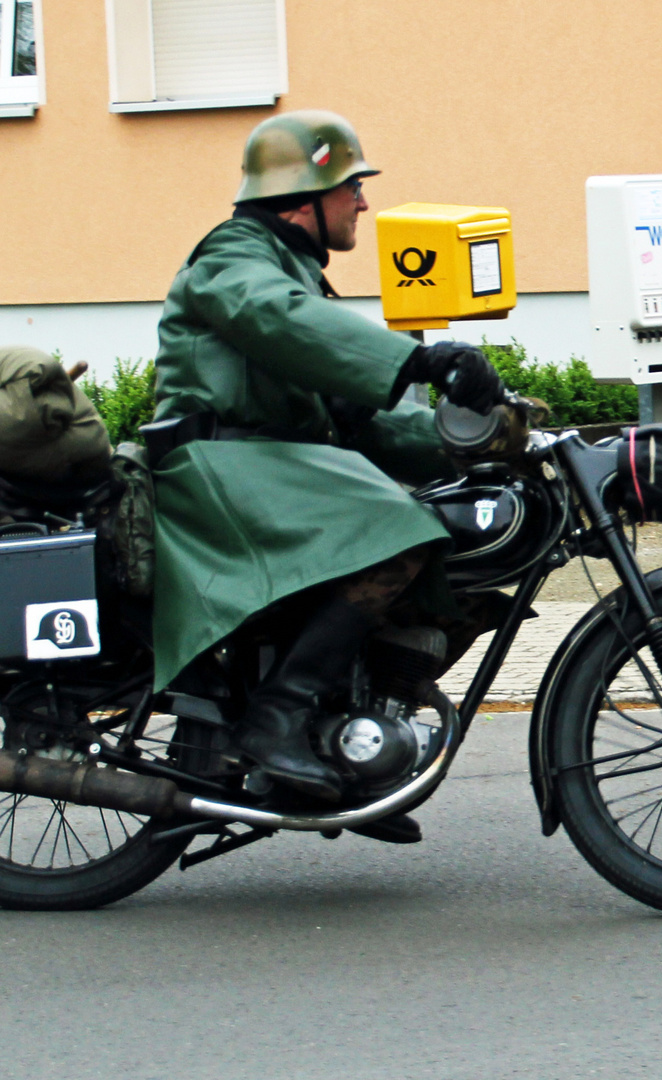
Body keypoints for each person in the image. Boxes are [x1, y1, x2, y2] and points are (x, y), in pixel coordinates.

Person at [147, 110, 505, 821]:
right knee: (397, 530)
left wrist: (479, 442)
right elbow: (279, 318)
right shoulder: (234, 258)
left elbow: (356, 415)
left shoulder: (293, 269)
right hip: (218, 466)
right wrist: (418, 359)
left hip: (269, 465)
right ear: (299, 197)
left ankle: (342, 750)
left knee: (456, 554)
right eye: (351, 187)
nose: (364, 203)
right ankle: (278, 717)